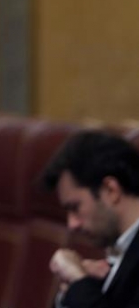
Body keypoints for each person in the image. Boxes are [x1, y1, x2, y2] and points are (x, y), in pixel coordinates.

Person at [42, 130, 139, 308]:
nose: (72, 224)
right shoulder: (118, 254)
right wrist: (73, 288)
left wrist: (79, 284)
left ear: (111, 190)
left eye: (75, 207)